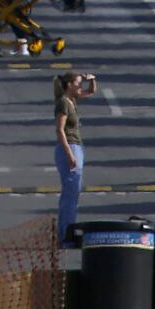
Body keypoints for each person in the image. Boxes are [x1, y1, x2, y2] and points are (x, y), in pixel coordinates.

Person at [53, 71, 95, 247]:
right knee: (70, 194)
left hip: (76, 147)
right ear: (70, 85)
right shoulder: (63, 102)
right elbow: (60, 130)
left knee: (73, 193)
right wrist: (70, 154)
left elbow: (91, 92)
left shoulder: (71, 100)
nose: (81, 86)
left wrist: (91, 80)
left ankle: (66, 233)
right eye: (78, 83)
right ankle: (65, 235)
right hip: (69, 147)